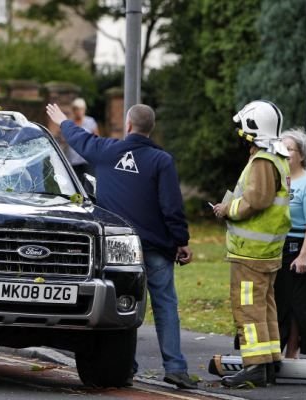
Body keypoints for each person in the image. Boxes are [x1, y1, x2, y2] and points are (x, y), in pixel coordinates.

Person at [46, 102, 198, 390]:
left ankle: (125, 365)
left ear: (128, 125)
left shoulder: (107, 151)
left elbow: (80, 139)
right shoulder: (161, 161)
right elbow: (171, 206)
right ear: (150, 129)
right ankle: (176, 368)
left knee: (124, 307)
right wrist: (181, 241)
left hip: (119, 250)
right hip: (155, 247)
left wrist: (63, 120)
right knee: (165, 305)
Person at [212, 100, 291, 388]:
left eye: (244, 128)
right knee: (264, 305)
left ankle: (255, 366)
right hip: (267, 251)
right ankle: (269, 361)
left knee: (248, 307)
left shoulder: (262, 161)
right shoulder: (278, 158)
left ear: (254, 128)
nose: (241, 134)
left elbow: (256, 200)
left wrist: (227, 209)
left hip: (251, 253)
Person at [275, 128, 306, 359]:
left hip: (301, 250)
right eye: (281, 148)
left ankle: (292, 355)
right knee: (279, 304)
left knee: (297, 307)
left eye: (289, 149)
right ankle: (272, 353)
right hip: (278, 250)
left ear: (301, 155)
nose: (284, 153)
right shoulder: (277, 180)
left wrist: (304, 255)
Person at [65, 98, 99, 179]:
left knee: (90, 183)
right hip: (73, 160)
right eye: (76, 109)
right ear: (73, 110)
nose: (79, 111)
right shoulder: (70, 123)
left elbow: (96, 138)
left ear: (84, 109)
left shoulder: (90, 121)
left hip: (87, 159)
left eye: (81, 109)